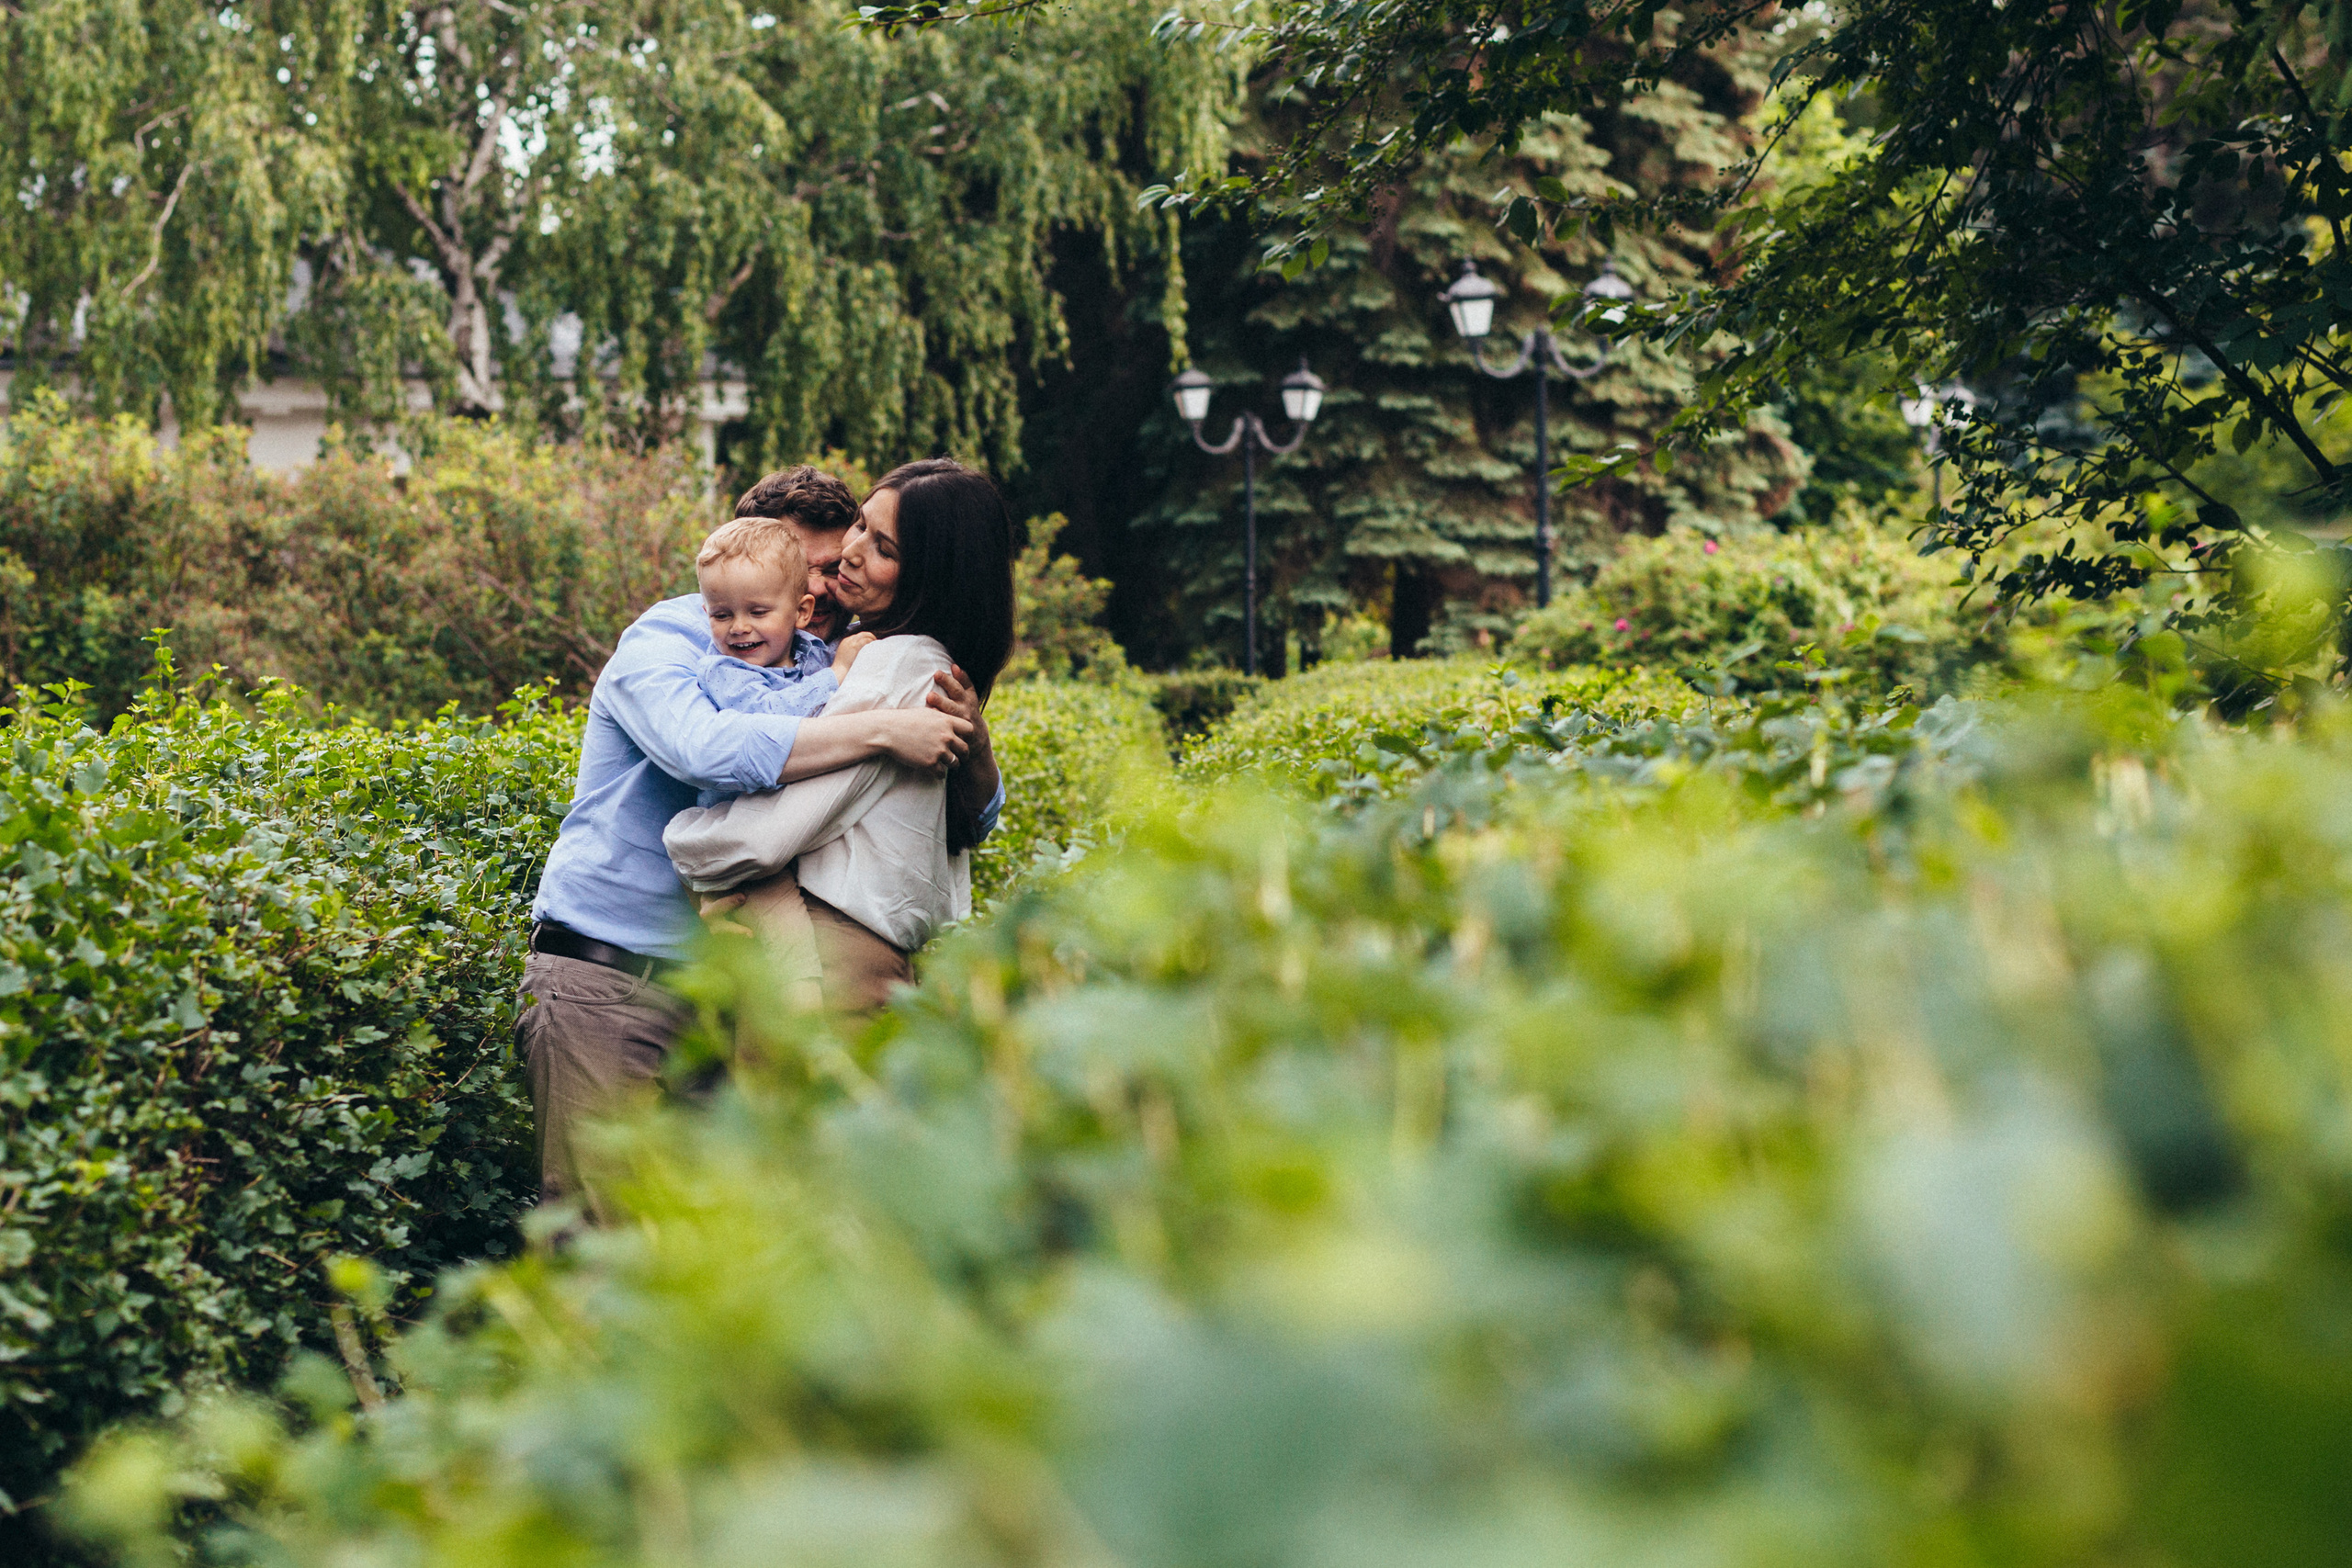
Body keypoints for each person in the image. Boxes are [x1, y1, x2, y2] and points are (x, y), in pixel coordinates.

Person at [518, 465, 1003, 1208]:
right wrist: (883, 728)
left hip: (732, 997)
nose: (826, 589)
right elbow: (705, 750)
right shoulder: (670, 638)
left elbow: (959, 817)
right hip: (614, 980)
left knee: (721, 1254)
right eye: (807, 573)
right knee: (596, 1236)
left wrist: (970, 745)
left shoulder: (823, 653)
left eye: (827, 580)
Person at [664, 457, 1014, 1016]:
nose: (852, 553)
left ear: (931, 576)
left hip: (833, 959)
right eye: (863, 526)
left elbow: (767, 836)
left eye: (884, 548)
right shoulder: (865, 652)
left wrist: (687, 845)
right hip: (859, 953)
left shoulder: (893, 663)